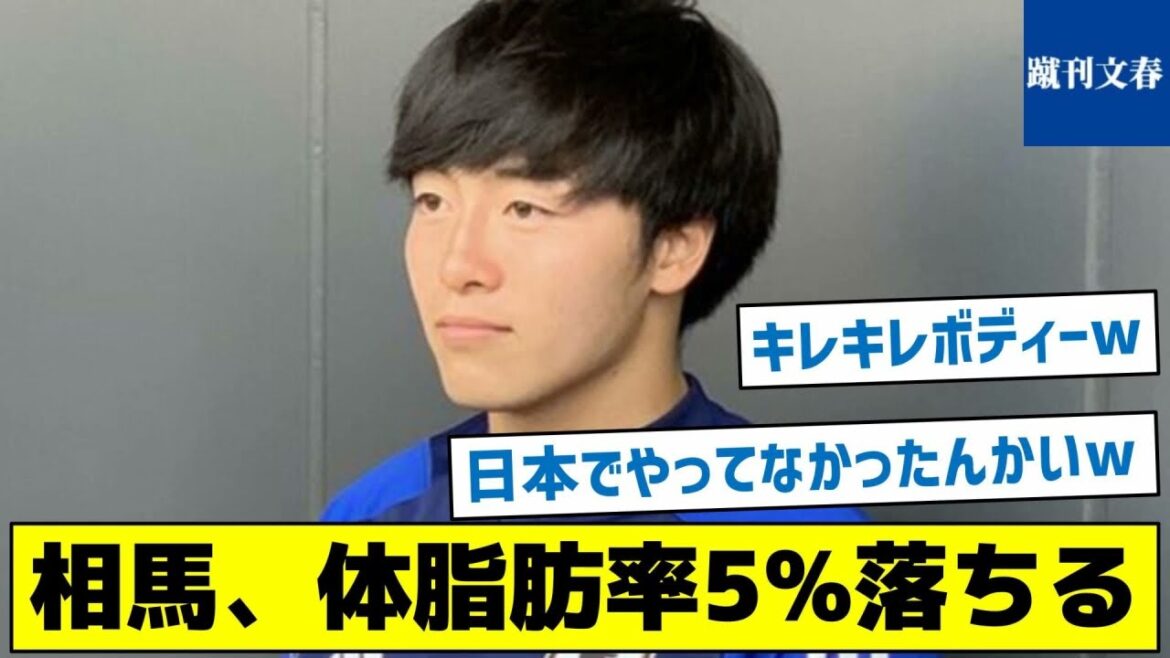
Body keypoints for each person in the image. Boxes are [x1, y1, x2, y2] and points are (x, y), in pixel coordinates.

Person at [311, 1, 935, 657]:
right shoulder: (370, 525)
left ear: (673, 248)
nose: (457, 265)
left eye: (525, 208)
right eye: (432, 201)